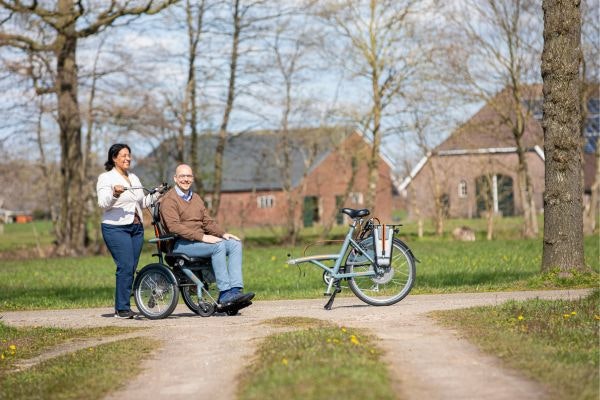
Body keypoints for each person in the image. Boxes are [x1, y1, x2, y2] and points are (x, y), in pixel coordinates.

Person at [160, 164, 254, 307]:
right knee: (218, 246)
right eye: (182, 176)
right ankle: (224, 293)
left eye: (189, 176)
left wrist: (223, 233)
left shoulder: (196, 198)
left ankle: (235, 291)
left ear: (193, 178)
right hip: (180, 244)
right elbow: (174, 227)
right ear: (175, 178)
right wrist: (203, 237)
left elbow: (207, 222)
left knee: (235, 244)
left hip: (197, 242)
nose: (186, 179)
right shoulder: (169, 200)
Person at [97, 143, 164, 319]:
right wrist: (115, 193)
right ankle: (122, 308)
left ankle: (124, 306)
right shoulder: (106, 178)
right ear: (114, 158)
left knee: (131, 267)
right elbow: (103, 203)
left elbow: (141, 203)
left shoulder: (134, 178)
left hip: (136, 227)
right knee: (125, 265)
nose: (128, 158)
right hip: (115, 228)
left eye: (129, 155)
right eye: (123, 155)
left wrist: (157, 194)